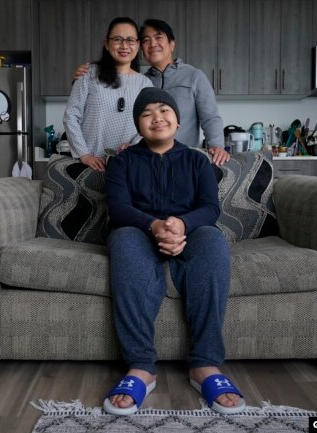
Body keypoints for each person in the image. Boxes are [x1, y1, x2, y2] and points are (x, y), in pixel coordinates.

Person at [103, 87, 245, 415]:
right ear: (138, 124)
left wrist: (181, 225)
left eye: (164, 111)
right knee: (123, 239)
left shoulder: (197, 160)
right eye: (147, 113)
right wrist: (154, 227)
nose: (157, 118)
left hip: (190, 231)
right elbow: (119, 208)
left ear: (178, 122)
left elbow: (209, 208)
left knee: (212, 240)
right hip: (137, 232)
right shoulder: (121, 162)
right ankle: (141, 366)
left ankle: (205, 364)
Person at [73, 19, 230, 166]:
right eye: (146, 40)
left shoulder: (194, 76)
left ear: (172, 44)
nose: (152, 44)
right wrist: (80, 79)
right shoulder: (142, 81)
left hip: (182, 160)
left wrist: (216, 145)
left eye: (158, 37)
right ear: (141, 48)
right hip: (147, 163)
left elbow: (210, 117)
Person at [63, 17, 153, 172]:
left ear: (137, 45)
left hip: (128, 165)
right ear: (106, 44)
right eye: (117, 39)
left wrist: (135, 145)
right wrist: (84, 154)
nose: (124, 45)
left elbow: (148, 123)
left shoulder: (145, 83)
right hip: (89, 165)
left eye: (130, 40)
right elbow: (71, 115)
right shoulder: (88, 73)